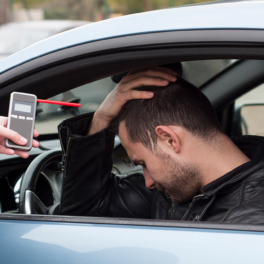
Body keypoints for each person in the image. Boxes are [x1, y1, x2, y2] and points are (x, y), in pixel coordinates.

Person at [58, 67, 264, 224]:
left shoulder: (248, 222)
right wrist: (100, 119)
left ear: (170, 139)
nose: (148, 182)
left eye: (142, 163)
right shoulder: (178, 189)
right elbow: (83, 215)